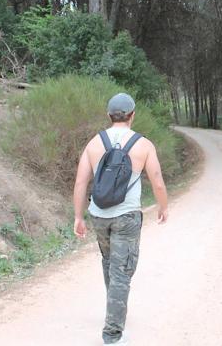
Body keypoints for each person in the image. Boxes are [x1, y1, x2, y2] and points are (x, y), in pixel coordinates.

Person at [73, 92, 169, 346]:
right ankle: (112, 335)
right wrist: (163, 207)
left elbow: (81, 182)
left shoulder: (94, 143)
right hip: (127, 216)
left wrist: (78, 216)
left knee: (110, 263)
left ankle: (114, 309)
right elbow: (157, 181)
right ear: (132, 115)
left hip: (99, 216)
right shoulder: (143, 144)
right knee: (122, 270)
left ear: (109, 116)